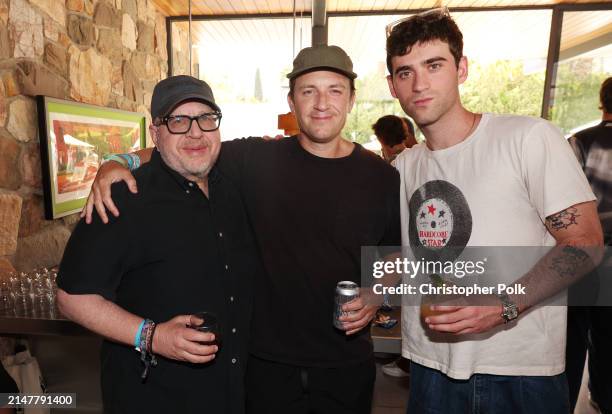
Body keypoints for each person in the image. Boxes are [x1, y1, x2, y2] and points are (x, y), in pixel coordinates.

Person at [82, 45, 400, 414]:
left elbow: (394, 254)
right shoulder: (255, 159)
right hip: (263, 365)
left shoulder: (381, 176)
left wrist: (377, 292)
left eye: (334, 90)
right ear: (292, 102)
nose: (321, 103)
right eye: (308, 91)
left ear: (351, 100)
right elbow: (184, 146)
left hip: (346, 364)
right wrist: (117, 161)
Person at [386, 8, 603, 413]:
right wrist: (370, 290)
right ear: (392, 86)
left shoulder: (527, 137)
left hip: (518, 369)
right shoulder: (403, 167)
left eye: (434, 65)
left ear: (461, 68)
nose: (419, 83)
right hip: (429, 366)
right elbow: (410, 256)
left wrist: (504, 304)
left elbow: (585, 242)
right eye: (404, 72)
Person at [56, 76, 260, 413]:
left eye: (206, 119)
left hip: (231, 394)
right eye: (178, 121)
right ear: (155, 133)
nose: (195, 132)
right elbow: (71, 298)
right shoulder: (122, 197)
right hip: (153, 398)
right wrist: (151, 336)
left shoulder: (234, 188)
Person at [566, 76, 612, 414]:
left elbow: (563, 202)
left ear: (602, 101)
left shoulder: (579, 141)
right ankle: (603, 398)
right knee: (609, 338)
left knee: (572, 337)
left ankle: (563, 402)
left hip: (583, 254)